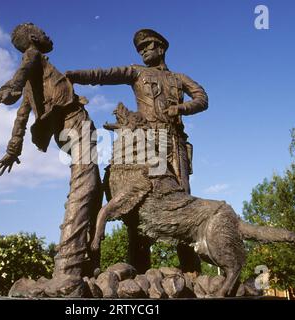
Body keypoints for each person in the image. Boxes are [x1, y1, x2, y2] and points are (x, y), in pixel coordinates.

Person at [65, 28, 208, 273]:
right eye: (140, 49)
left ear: (160, 48)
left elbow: (202, 98)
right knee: (141, 200)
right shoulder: (136, 72)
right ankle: (139, 268)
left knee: (183, 201)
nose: (143, 51)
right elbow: (105, 74)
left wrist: (182, 108)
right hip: (147, 143)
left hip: (173, 142)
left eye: (147, 47)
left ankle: (191, 271)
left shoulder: (179, 77)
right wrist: (73, 76)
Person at [0, 23, 102, 297]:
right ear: (34, 38)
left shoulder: (36, 76)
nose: (48, 34)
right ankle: (68, 268)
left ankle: (87, 261)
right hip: (73, 123)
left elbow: (22, 116)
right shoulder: (33, 57)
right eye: (42, 31)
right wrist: (9, 88)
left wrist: (13, 149)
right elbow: (21, 76)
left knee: (93, 188)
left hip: (70, 127)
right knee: (87, 185)